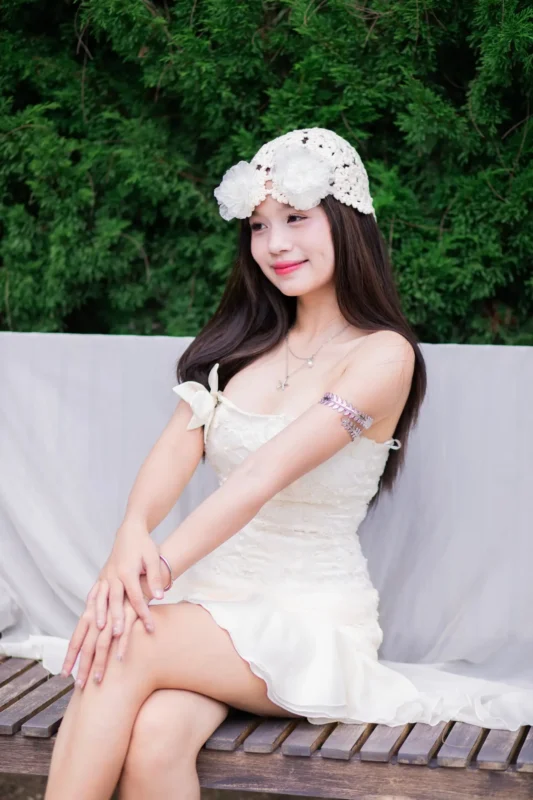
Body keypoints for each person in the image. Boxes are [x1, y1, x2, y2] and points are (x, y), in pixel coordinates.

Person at [44, 127, 425, 799]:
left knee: (123, 641)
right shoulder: (241, 345)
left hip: (308, 620)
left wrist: (148, 575)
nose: (275, 243)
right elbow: (176, 446)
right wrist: (130, 533)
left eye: (296, 218)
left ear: (347, 222)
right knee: (154, 739)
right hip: (211, 604)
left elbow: (259, 479)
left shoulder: (382, 355)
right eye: (257, 225)